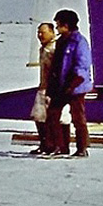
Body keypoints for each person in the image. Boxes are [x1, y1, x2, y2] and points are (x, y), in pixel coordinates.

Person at [45, 9, 93, 158]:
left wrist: (72, 85)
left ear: (66, 25)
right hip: (60, 85)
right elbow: (57, 65)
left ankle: (82, 148)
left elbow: (82, 66)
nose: (57, 28)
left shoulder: (79, 42)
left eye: (58, 25)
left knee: (78, 118)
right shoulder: (61, 41)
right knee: (53, 114)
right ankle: (60, 147)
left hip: (76, 87)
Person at [30, 22, 59, 154]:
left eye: (43, 32)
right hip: (42, 87)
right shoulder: (43, 49)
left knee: (51, 118)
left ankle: (53, 145)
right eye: (39, 33)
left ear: (52, 32)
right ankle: (44, 144)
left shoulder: (54, 48)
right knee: (38, 116)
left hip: (52, 88)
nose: (40, 35)